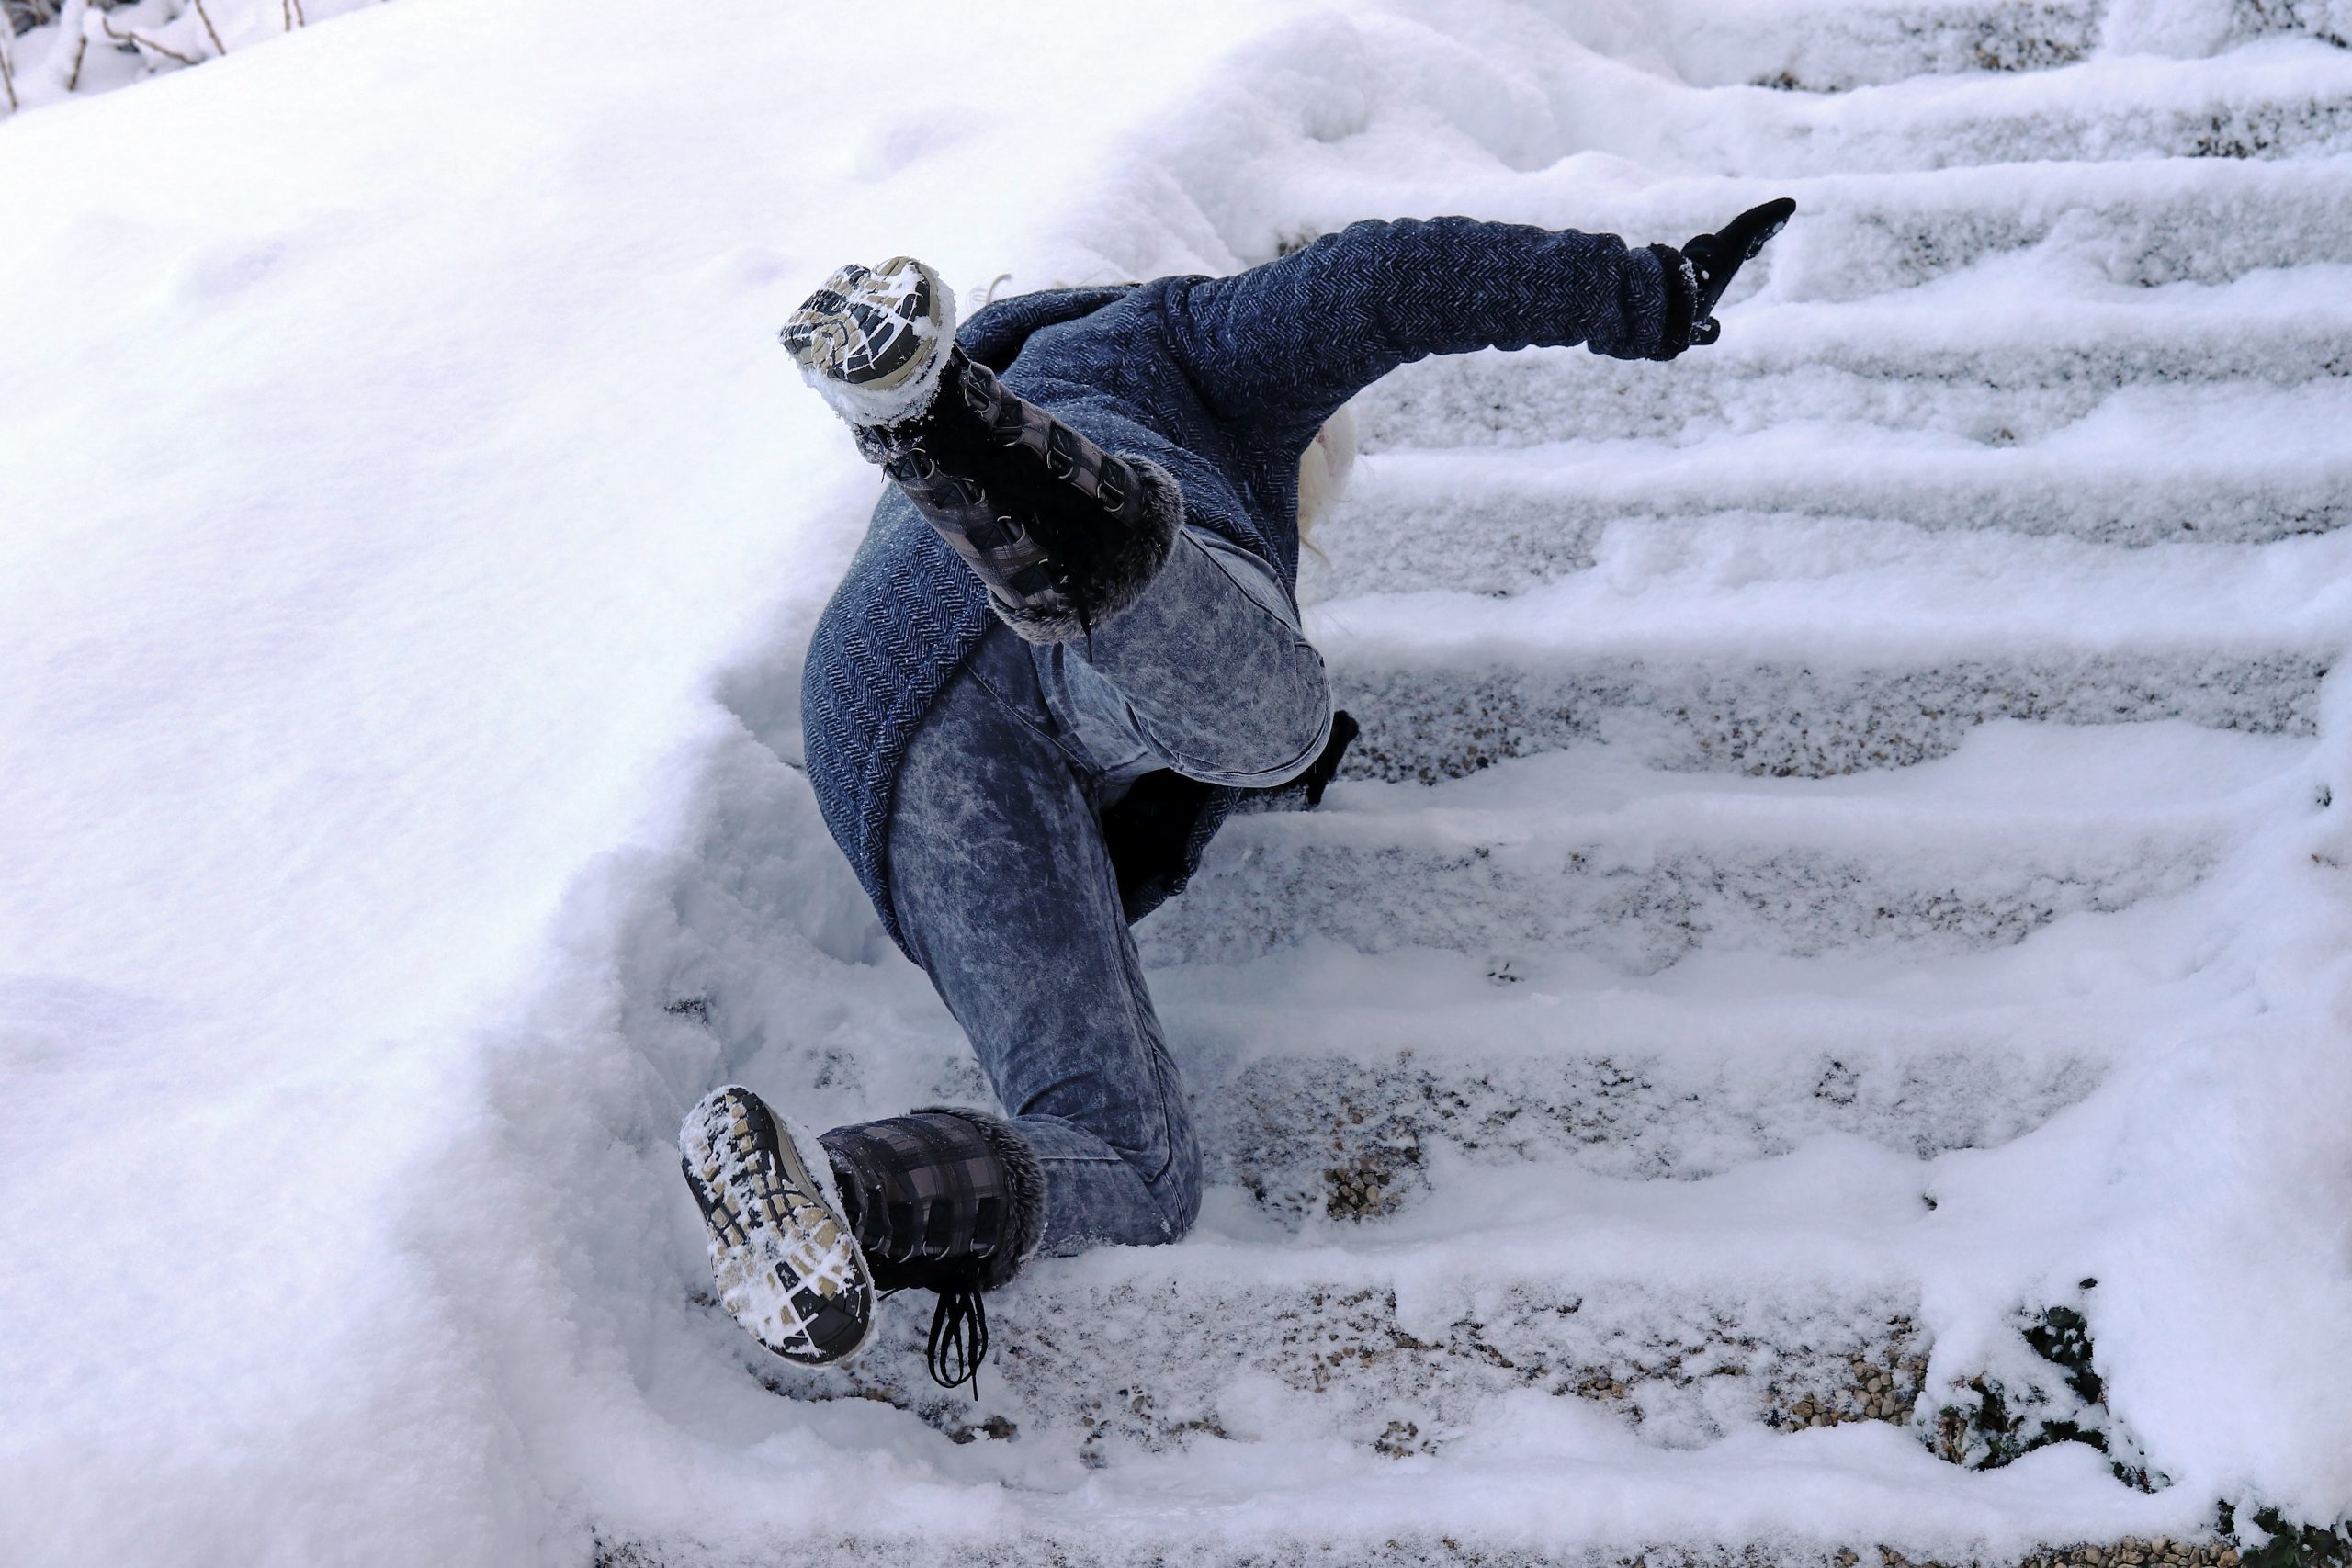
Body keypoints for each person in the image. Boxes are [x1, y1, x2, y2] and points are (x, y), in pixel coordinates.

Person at [677, 201, 1798, 1393]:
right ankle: (1070, 524)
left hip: (878, 730)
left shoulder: (962, 477)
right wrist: (1646, 291)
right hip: (1044, 630)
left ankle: (846, 1198)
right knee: (1273, 719)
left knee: (1134, 1164)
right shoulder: (1179, 338)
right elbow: (1381, 282)